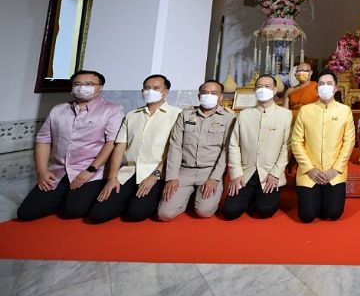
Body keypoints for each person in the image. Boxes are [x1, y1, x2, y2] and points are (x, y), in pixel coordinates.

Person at [17, 70, 124, 221]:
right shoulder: (58, 110)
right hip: (58, 171)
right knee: (26, 213)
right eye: (77, 84)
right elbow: (43, 140)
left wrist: (90, 170)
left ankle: (76, 197)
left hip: (90, 173)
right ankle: (64, 195)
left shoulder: (112, 110)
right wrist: (42, 171)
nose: (82, 87)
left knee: (72, 211)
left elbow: (111, 143)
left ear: (100, 88)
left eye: (89, 84)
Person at [89, 74, 181, 223]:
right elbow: (120, 147)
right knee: (98, 214)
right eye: (147, 88)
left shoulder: (177, 115)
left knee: (137, 213)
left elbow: (174, 150)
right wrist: (112, 178)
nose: (150, 91)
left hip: (155, 173)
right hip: (128, 171)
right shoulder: (132, 115)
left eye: (156, 88)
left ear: (166, 92)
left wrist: (155, 176)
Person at [158, 80, 234, 221]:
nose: (208, 95)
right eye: (205, 92)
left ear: (221, 97)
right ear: (199, 96)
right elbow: (175, 146)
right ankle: (186, 197)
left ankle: (197, 198)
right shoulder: (186, 115)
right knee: (164, 214)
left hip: (209, 171)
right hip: (184, 170)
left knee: (204, 212)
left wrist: (215, 178)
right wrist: (172, 177)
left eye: (214, 93)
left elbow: (226, 151)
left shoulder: (228, 118)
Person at [223, 75, 293, 220]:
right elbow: (234, 144)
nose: (263, 89)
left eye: (267, 86)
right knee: (230, 212)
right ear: (254, 90)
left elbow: (287, 146)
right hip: (246, 172)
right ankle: (251, 196)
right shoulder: (244, 114)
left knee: (265, 210)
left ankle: (260, 197)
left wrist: (276, 173)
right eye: (259, 86)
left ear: (275, 90)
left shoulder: (285, 115)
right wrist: (236, 173)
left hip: (269, 173)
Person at [291, 70, 356, 223]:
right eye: (321, 84)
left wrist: (335, 169)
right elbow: (296, 142)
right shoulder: (305, 111)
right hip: (309, 172)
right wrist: (310, 169)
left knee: (333, 213)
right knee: (307, 216)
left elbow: (349, 142)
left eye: (329, 83)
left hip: (334, 172)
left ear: (336, 88)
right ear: (316, 88)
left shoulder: (345, 111)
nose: (325, 86)